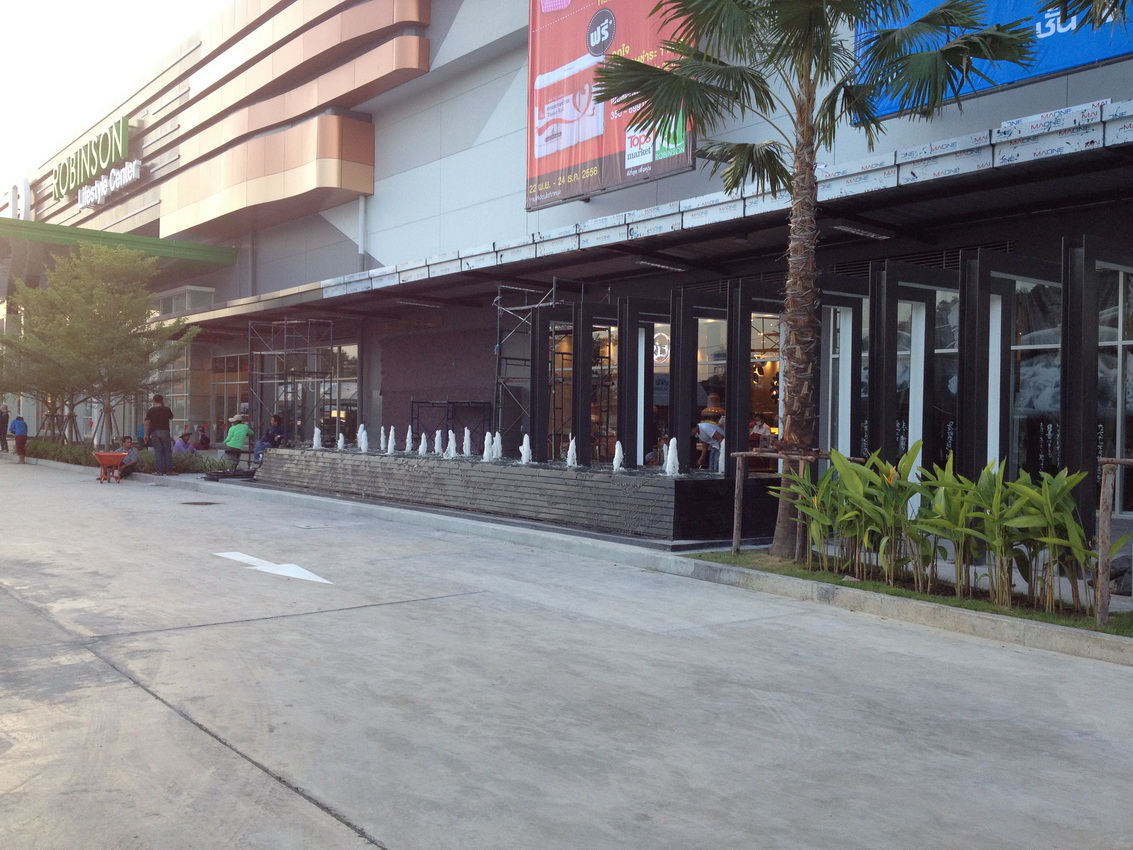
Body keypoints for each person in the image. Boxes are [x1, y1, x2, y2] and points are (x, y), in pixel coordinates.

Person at [144, 394, 176, 476]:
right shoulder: (166, 409)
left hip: (155, 432)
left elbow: (147, 423)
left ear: (153, 401)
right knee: (167, 451)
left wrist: (146, 434)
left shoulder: (151, 410)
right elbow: (171, 417)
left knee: (158, 451)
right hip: (165, 431)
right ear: (162, 400)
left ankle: (159, 471)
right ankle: (169, 471)